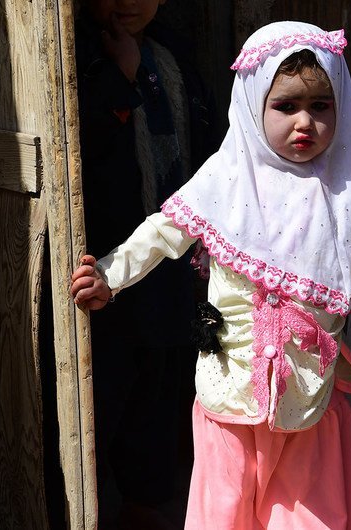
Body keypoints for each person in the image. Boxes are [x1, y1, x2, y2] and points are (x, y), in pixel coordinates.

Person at [70, 21, 351, 529]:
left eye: (321, 106)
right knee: (224, 515)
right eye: (285, 106)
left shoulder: (349, 184)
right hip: (230, 396)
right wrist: (110, 276)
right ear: (251, 105)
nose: (304, 122)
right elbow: (163, 234)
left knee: (307, 518)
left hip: (308, 400)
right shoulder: (226, 178)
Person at [74, 0, 217, 526]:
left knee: (161, 388)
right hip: (105, 262)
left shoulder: (175, 52)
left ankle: (145, 506)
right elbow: (80, 149)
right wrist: (123, 77)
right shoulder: (82, 54)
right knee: (108, 389)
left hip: (174, 265)